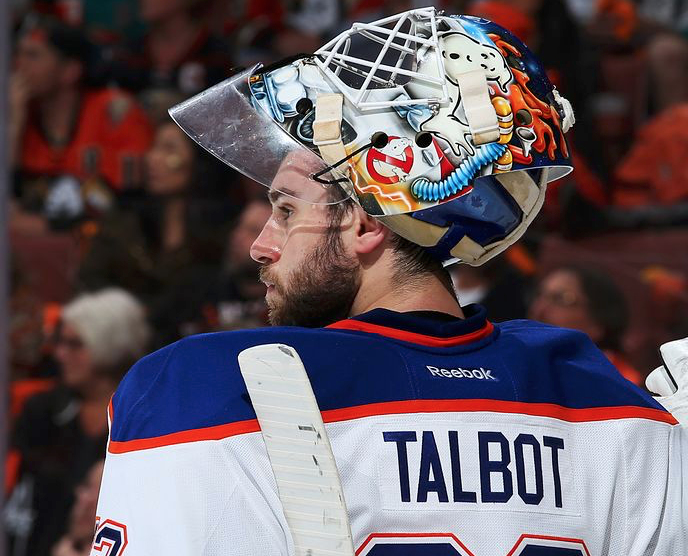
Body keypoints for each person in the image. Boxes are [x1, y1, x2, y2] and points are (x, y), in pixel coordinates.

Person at [93, 9, 685, 555]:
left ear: (364, 222)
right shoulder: (610, 401)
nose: (260, 245)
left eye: (287, 210)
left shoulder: (202, 386)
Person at [6, 288, 150, 556]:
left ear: (111, 345)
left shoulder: (143, 418)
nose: (60, 354)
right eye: (60, 343)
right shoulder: (42, 411)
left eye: (75, 344)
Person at [78, 119, 236, 347]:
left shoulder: (223, 232)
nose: (152, 158)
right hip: (119, 340)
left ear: (199, 159)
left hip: (192, 344)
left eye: (169, 149)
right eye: (154, 147)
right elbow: (90, 280)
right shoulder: (125, 219)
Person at [10, 15, 153, 227]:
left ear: (70, 71)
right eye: (17, 53)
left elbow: (127, 209)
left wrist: (41, 225)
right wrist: (11, 127)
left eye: (33, 55)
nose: (18, 65)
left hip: (105, 249)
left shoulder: (116, 112)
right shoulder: (18, 113)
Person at [528, 266, 643, 385]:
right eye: (539, 295)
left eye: (561, 299)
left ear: (599, 321)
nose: (538, 309)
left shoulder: (623, 387)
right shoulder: (520, 371)